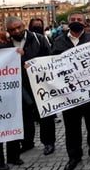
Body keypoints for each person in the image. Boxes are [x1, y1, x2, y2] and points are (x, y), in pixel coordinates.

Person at [51, 12, 90, 170]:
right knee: (71, 126)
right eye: (73, 20)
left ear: (85, 23)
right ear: (68, 23)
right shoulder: (58, 41)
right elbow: (52, 64)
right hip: (69, 93)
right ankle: (74, 156)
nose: (76, 22)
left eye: (79, 20)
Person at [5, 16, 56, 156]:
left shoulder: (38, 38)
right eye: (12, 29)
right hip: (17, 84)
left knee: (45, 113)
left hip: (39, 82)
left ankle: (48, 142)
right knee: (24, 115)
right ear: (8, 31)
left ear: (23, 25)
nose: (16, 31)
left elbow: (49, 58)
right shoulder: (6, 43)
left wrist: (25, 58)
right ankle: (27, 142)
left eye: (18, 27)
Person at [0, 32, 24, 170]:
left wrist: (19, 54)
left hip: (10, 96)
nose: (1, 43)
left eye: (3, 41)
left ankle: (14, 156)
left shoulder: (11, 55)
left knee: (12, 124)